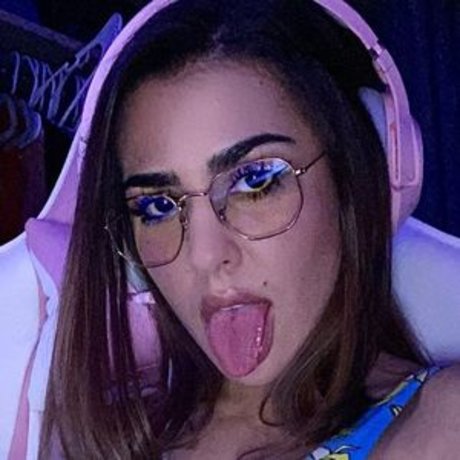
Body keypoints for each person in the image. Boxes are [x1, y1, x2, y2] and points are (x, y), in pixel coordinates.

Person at [38, 0, 460, 458]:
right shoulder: (107, 431)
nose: (203, 255)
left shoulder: (442, 422)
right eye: (157, 206)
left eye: (255, 182)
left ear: (355, 179)